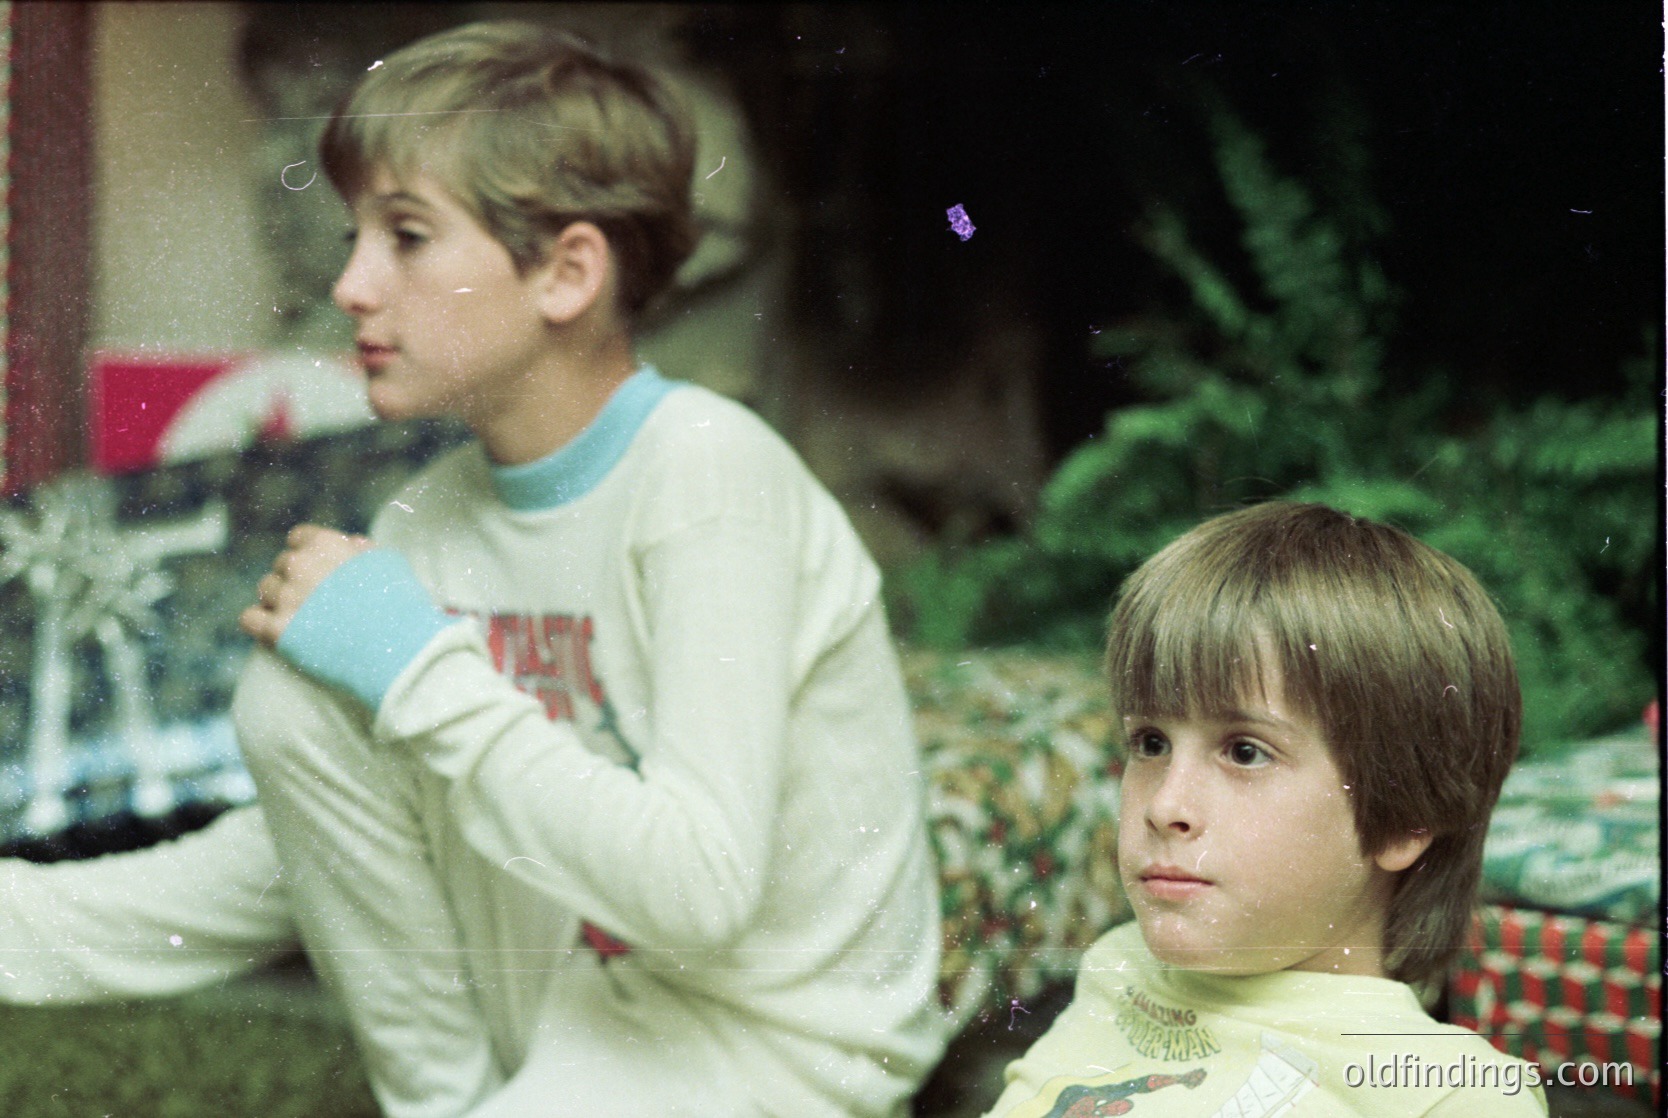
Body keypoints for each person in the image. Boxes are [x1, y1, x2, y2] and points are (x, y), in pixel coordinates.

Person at [0, 22, 946, 1118]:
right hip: (589, 1014)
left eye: (406, 236)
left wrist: (415, 667)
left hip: (776, 1044)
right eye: (357, 235)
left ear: (567, 271)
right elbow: (297, 852)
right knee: (296, 697)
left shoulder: (708, 478)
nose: (353, 284)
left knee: (355, 670)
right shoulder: (431, 516)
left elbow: (702, 890)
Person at [983, 502, 1547, 1117]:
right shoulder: (1120, 970)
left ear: (1406, 816)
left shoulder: (1450, 1095)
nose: (1166, 805)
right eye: (1151, 743)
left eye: (1246, 752)